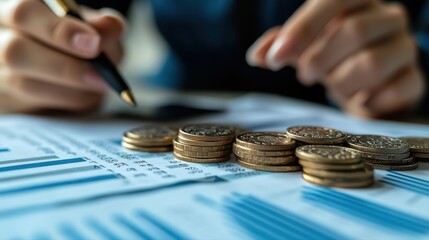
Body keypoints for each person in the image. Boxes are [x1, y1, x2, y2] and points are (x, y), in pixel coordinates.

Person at [0, 0, 428, 119]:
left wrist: (412, 67)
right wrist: (32, 49)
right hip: (171, 101)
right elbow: (73, 12)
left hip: (363, 114)